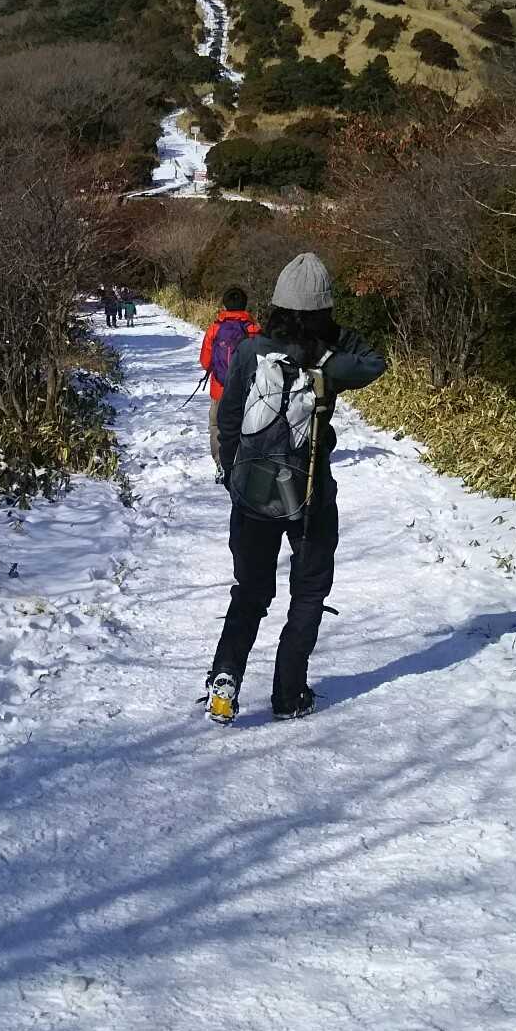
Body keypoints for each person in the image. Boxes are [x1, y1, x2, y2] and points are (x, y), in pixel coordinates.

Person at [205, 252, 385, 725]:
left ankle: (225, 679)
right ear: (324, 310)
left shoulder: (252, 351)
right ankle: (288, 695)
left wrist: (235, 477)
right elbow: (375, 361)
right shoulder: (330, 362)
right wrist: (332, 333)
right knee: (307, 593)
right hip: (310, 495)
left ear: (277, 304)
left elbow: (228, 419)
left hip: (253, 490)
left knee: (250, 590)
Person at [198, 287, 260, 474]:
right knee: (246, 425)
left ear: (224, 305)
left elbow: (205, 362)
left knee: (217, 426)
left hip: (220, 389)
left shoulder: (215, 328)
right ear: (245, 305)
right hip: (247, 391)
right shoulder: (254, 330)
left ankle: (221, 464)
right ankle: (244, 463)